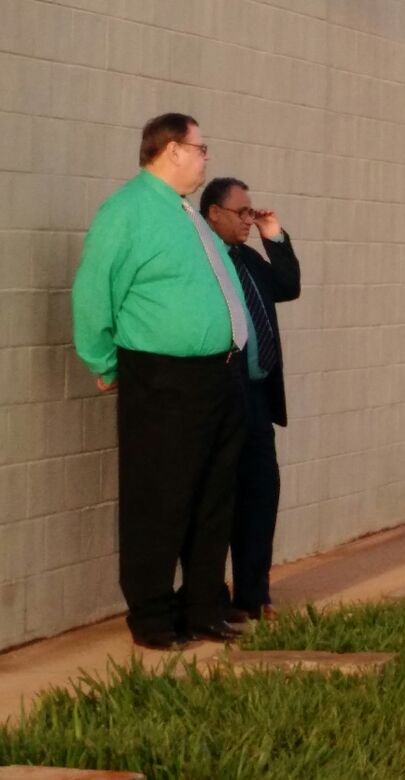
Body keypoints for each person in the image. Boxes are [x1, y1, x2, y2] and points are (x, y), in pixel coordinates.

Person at [72, 113, 249, 650]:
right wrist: (105, 362)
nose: (205, 157)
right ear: (171, 150)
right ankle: (152, 617)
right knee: (159, 497)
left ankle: (202, 607)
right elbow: (93, 292)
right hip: (164, 378)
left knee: (212, 497)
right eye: (200, 148)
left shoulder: (186, 213)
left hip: (220, 376)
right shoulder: (127, 211)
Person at [201, 177, 301, 622]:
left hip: (258, 397)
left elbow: (288, 284)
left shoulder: (247, 258)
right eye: (241, 213)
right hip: (221, 396)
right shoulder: (203, 260)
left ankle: (253, 594)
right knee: (219, 497)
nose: (248, 219)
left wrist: (273, 235)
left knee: (261, 493)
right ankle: (208, 595)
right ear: (213, 213)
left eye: (251, 212)